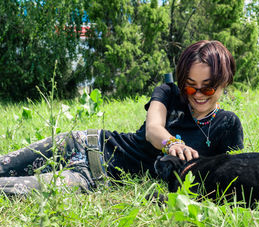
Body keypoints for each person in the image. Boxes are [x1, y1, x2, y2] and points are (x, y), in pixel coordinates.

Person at [0, 40, 244, 195]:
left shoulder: (228, 125)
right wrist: (173, 143)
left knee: (14, 189)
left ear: (224, 82)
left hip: (92, 178)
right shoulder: (169, 93)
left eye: (208, 88)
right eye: (190, 86)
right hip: (82, 143)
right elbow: (153, 128)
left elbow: (228, 176)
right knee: (5, 165)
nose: (198, 95)